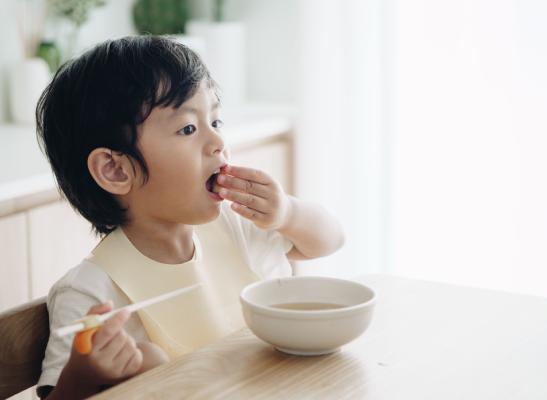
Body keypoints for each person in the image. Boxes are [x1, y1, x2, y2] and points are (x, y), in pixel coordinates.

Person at [35, 36, 344, 399]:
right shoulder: (90, 291)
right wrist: (83, 376)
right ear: (116, 170)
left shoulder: (237, 226)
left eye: (216, 119)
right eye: (188, 129)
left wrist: (287, 213)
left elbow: (329, 241)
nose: (217, 142)